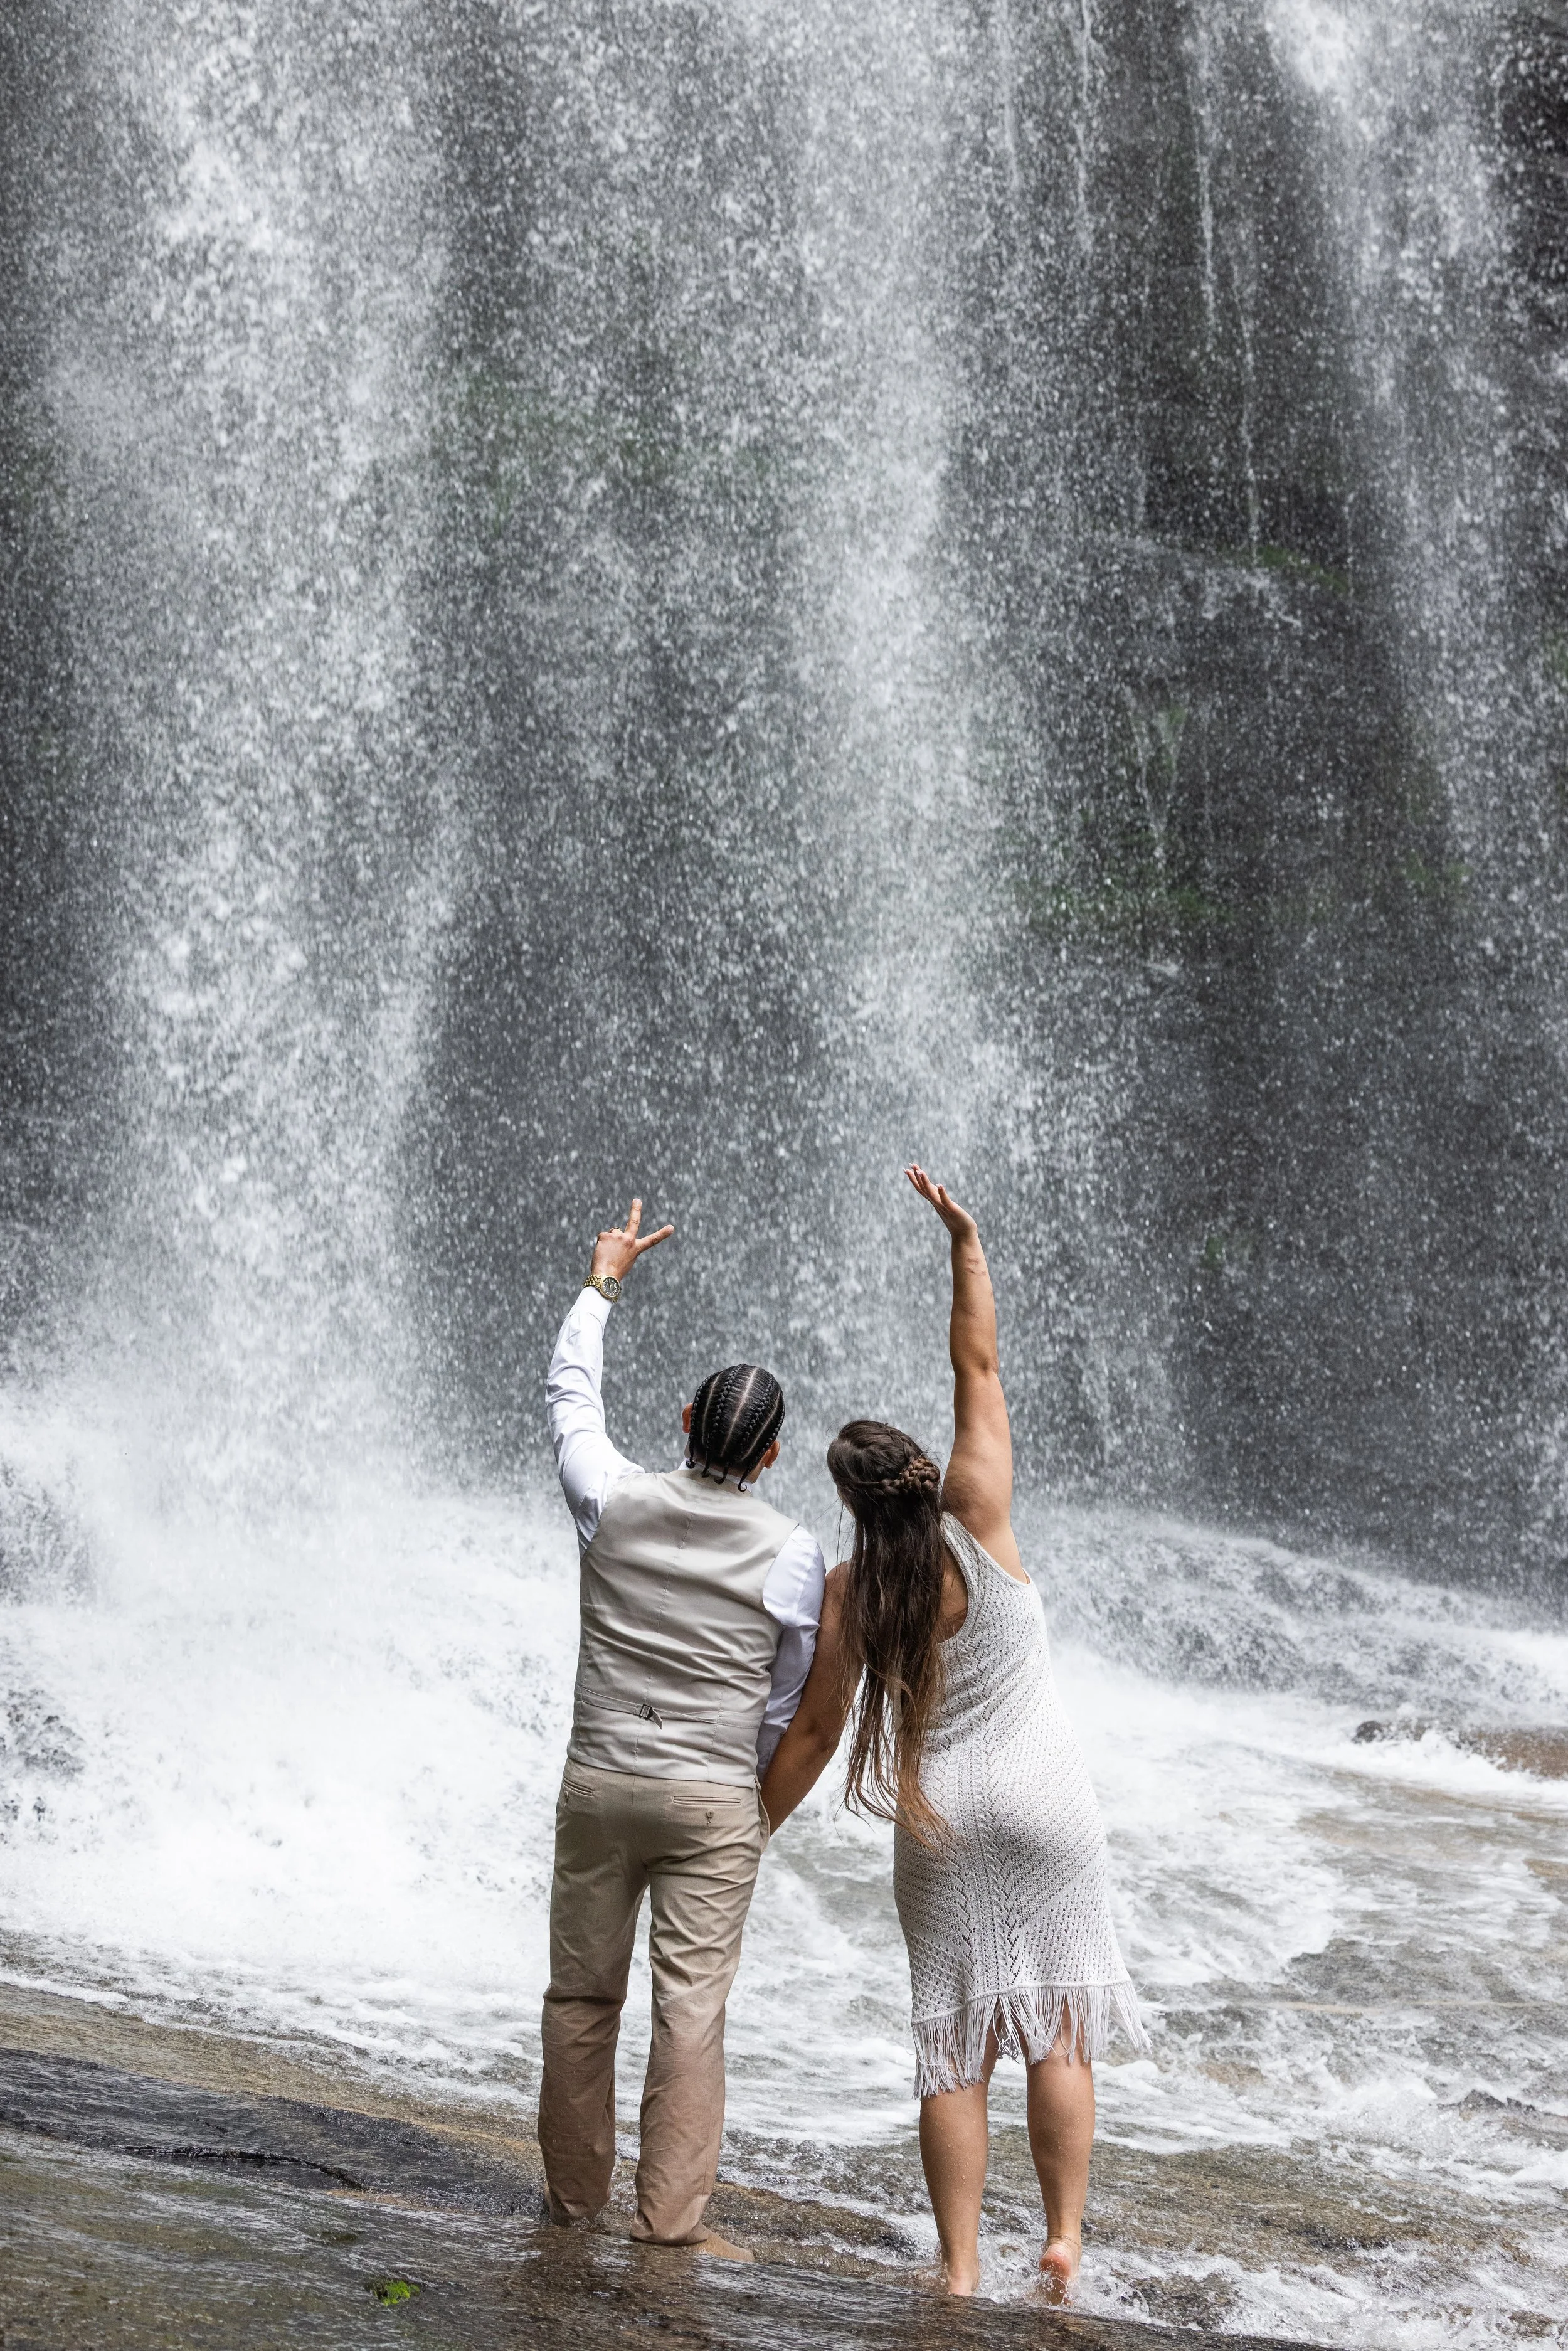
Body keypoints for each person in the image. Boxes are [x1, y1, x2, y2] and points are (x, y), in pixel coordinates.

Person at [760, 1165, 1146, 2300]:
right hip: (1047, 1802)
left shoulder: (850, 1591)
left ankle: (963, 2265)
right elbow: (976, 1362)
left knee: (953, 2050)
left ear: (852, 1506)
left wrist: (752, 1828)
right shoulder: (978, 1511)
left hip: (941, 1823)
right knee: (1057, 2033)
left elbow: (821, 1732)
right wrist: (964, 1243)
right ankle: (1064, 2236)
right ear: (921, 1474)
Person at [541, 1196, 826, 2258]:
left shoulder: (609, 1497)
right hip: (711, 1798)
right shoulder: (794, 1552)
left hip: (601, 1782)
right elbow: (787, 1697)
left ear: (683, 1426)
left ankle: (572, 2207)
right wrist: (740, 1795)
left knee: (580, 1998)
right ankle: (671, 2229)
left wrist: (604, 1278)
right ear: (772, 1457)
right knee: (689, 2015)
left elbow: (570, 1397)